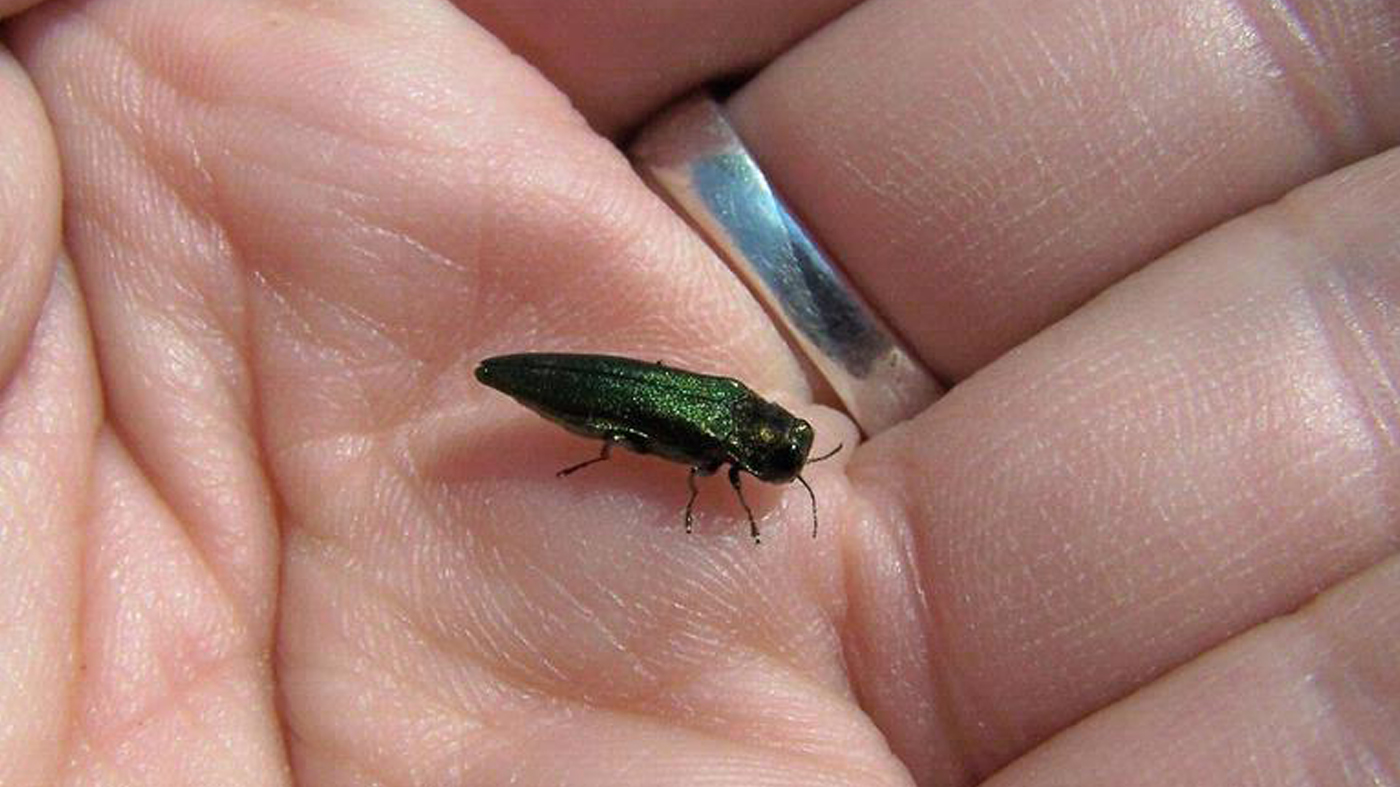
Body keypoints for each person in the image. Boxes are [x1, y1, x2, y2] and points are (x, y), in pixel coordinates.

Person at [1, 1, 1395, 784]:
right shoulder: (727, 444)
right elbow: (683, 447)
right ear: (765, 450)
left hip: (597, 394)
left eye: (778, 467)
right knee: (608, 420)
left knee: (610, 417)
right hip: (585, 397)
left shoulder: (734, 421)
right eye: (778, 468)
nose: (775, 476)